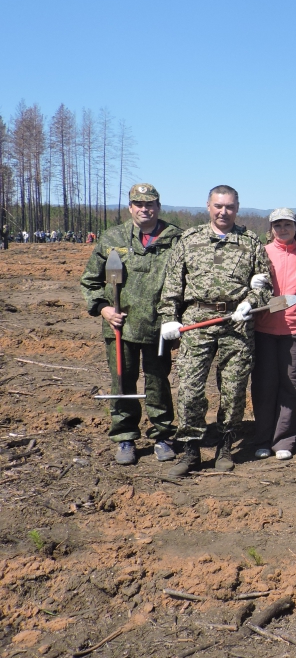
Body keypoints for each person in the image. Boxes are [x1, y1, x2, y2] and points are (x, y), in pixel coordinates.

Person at [158, 185, 273, 477]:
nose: (224, 212)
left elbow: (265, 285)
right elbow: (172, 284)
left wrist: (250, 302)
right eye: (218, 206)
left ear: (237, 208)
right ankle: (191, 449)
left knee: (234, 389)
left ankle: (225, 444)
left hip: (237, 321)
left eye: (230, 206)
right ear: (208, 206)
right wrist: (169, 318)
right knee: (190, 388)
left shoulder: (250, 241)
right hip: (197, 320)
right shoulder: (189, 239)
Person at [80, 183, 183, 465]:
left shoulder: (175, 238)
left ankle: (162, 435)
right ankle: (125, 436)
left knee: (158, 382)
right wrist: (103, 309)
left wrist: (176, 319)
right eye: (138, 204)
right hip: (120, 326)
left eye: (150, 204)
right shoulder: (112, 238)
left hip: (158, 326)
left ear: (158, 207)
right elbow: (90, 281)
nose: (144, 209)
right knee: (122, 381)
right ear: (130, 207)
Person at [250, 208, 296, 461]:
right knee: (264, 385)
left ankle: (284, 440)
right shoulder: (262, 253)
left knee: (289, 385)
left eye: (287, 225)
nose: (283, 229)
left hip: (294, 330)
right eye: (278, 225)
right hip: (264, 329)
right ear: (271, 229)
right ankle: (263, 439)